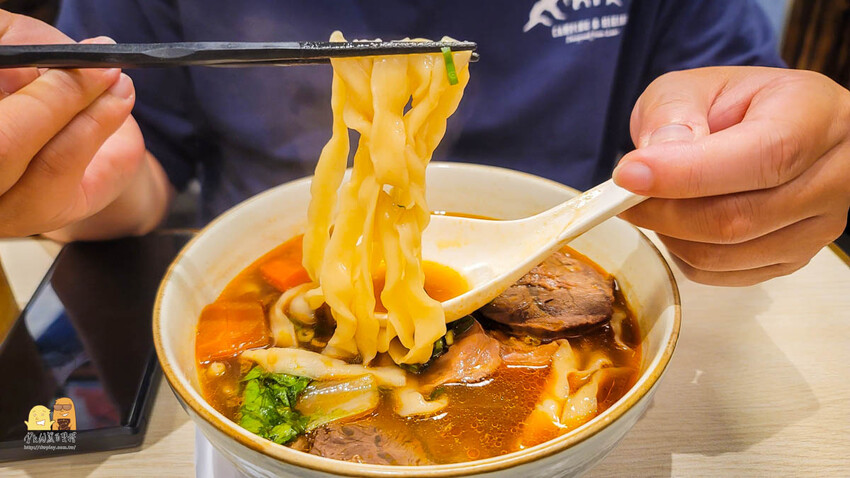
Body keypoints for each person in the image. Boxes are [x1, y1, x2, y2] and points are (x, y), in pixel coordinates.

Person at [0, 1, 847, 287]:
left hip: (586, 260)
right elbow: (136, 173)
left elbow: (738, 108)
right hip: (264, 270)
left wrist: (780, 160)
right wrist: (62, 178)